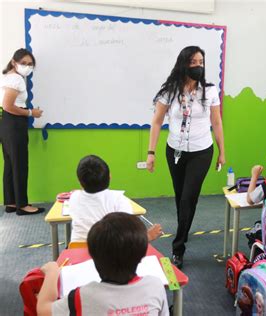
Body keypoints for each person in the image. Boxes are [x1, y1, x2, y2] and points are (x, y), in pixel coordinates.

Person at [146, 46, 225, 268]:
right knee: (181, 196)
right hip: (175, 151)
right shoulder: (169, 91)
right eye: (193, 62)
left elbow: (217, 122)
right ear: (183, 64)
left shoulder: (209, 91)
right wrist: (150, 153)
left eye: (201, 61)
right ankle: (185, 226)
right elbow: (156, 122)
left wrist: (222, 151)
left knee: (188, 197)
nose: (198, 66)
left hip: (202, 151)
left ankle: (178, 247)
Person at [36, 212, 169, 316]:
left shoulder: (83, 295)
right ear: (141, 256)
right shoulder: (155, 286)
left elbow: (43, 310)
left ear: (93, 256)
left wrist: (52, 273)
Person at [69, 155, 162, 242]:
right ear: (110, 176)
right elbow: (129, 235)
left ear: (80, 182)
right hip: (110, 252)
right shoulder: (119, 199)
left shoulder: (74, 197)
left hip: (77, 251)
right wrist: (147, 236)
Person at [1, 48, 44, 215]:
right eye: (24, 63)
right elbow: (8, 106)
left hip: (5, 123)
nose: (27, 67)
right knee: (20, 164)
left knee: (10, 164)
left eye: (30, 64)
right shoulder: (16, 80)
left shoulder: (8, 78)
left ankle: (12, 203)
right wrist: (31, 113)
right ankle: (23, 206)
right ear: (14, 62)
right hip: (13, 124)